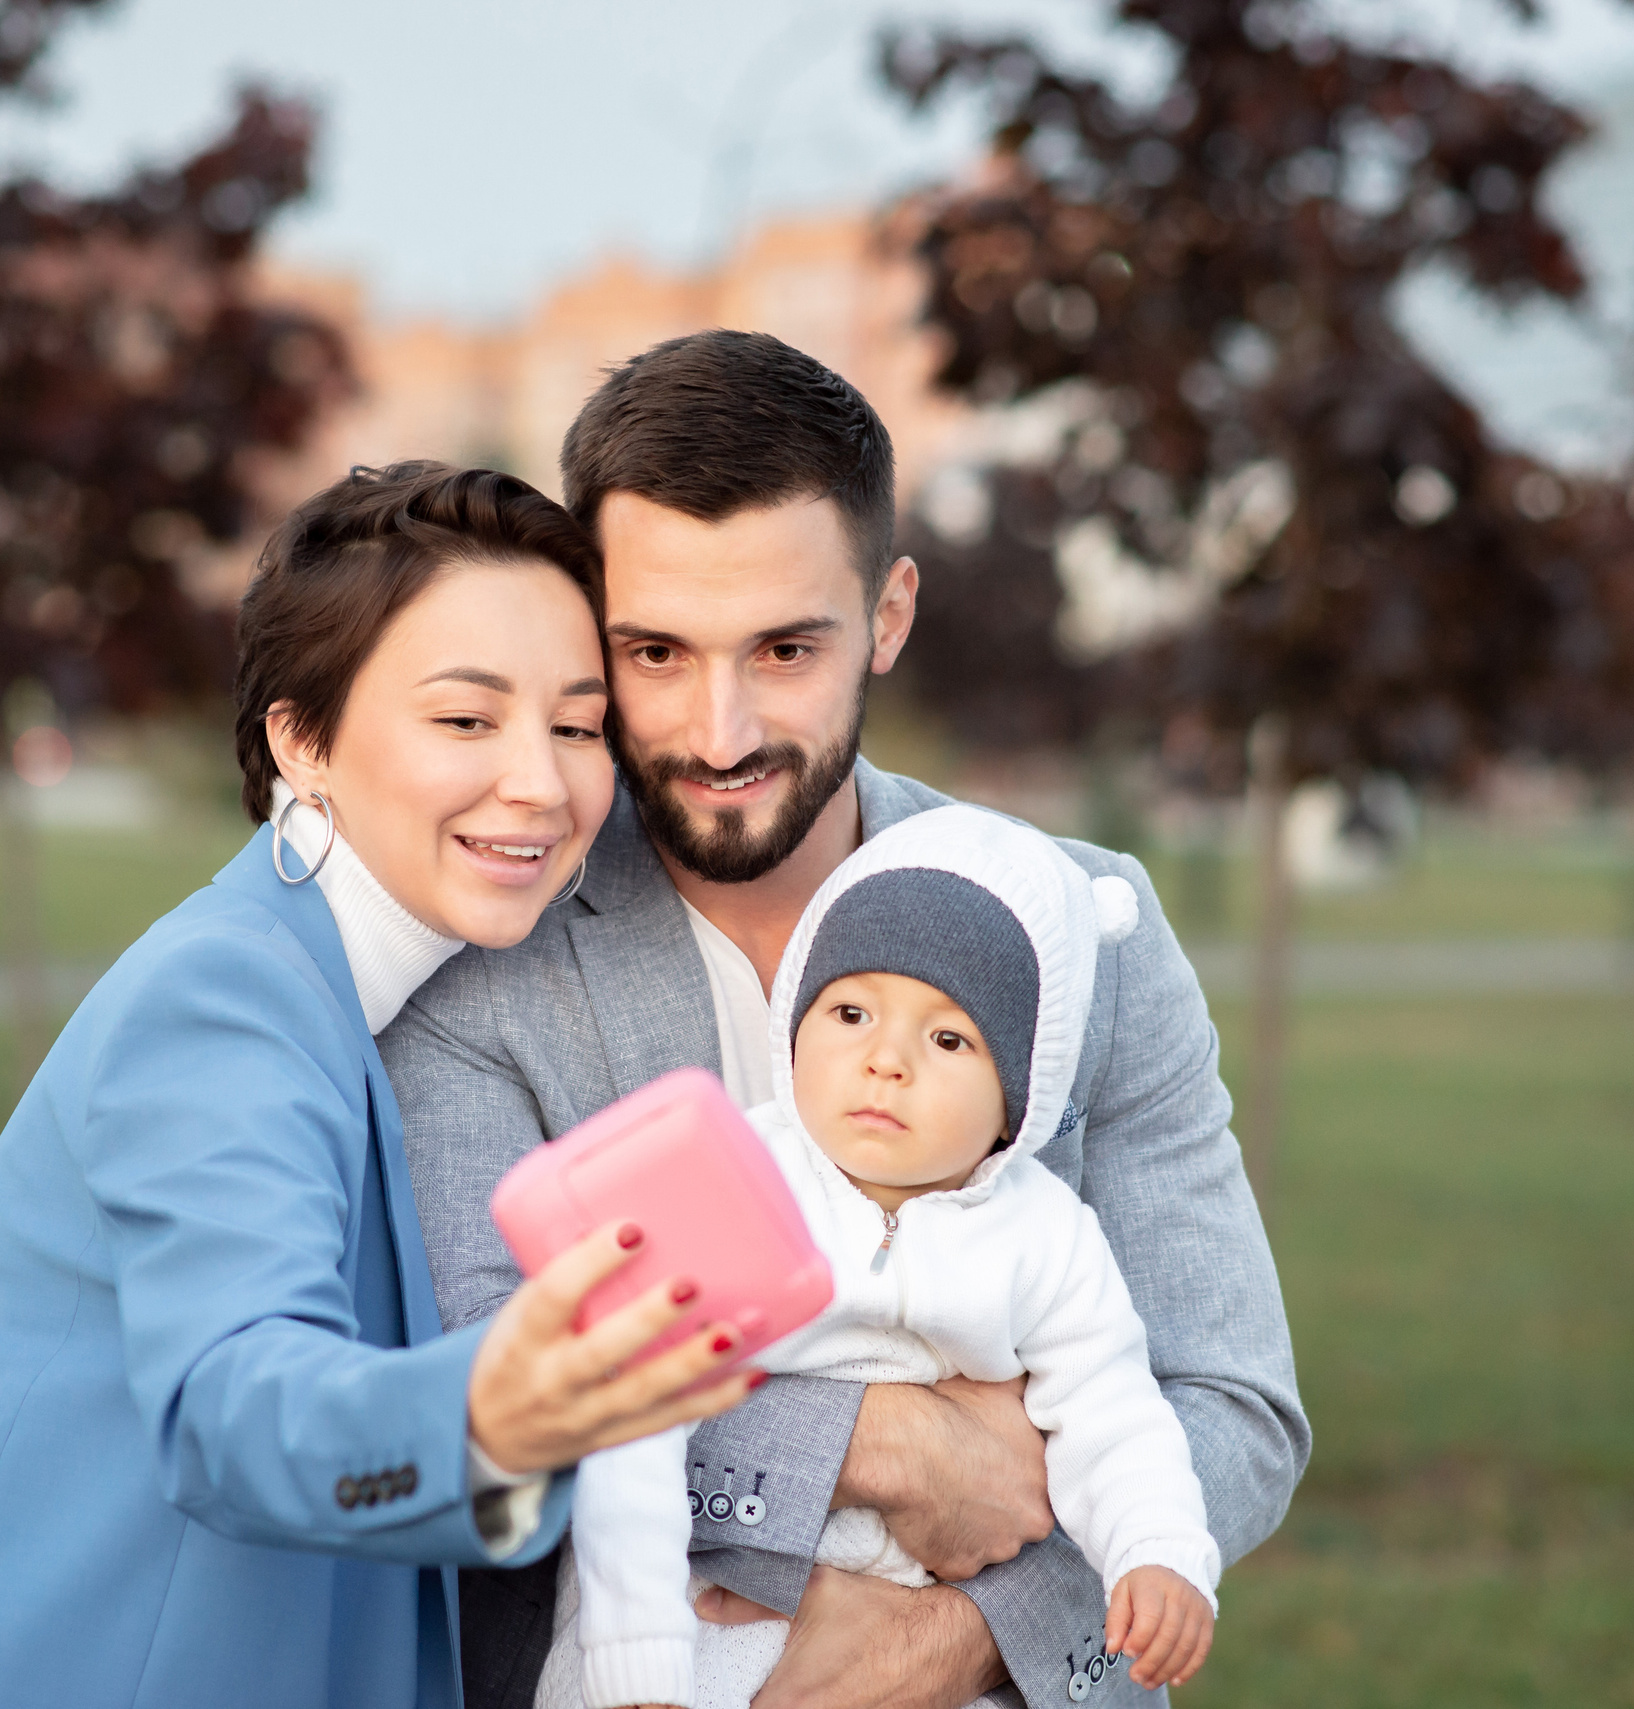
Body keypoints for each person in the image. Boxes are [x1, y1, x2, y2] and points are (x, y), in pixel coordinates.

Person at [381, 332, 1309, 1709]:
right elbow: (497, 1413)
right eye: (654, 650)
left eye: (787, 647)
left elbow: (1230, 1409)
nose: (721, 728)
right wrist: (890, 1445)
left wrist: (962, 1634)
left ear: (888, 614)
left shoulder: (1085, 920)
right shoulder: (480, 967)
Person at [0, 464, 763, 1709]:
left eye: (578, 725)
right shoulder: (224, 998)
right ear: (299, 739)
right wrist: (486, 1414)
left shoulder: (358, 982)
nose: (541, 779)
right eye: (467, 720)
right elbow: (236, 1407)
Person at [539, 807, 1218, 1709]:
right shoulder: (738, 1180)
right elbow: (635, 1414)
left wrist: (1158, 1550)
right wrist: (637, 1649)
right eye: (851, 1011)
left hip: (918, 1617)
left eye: (948, 1039)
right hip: (705, 1613)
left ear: (1017, 1103)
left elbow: (1115, 1414)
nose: (885, 1061)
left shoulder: (1045, 1236)